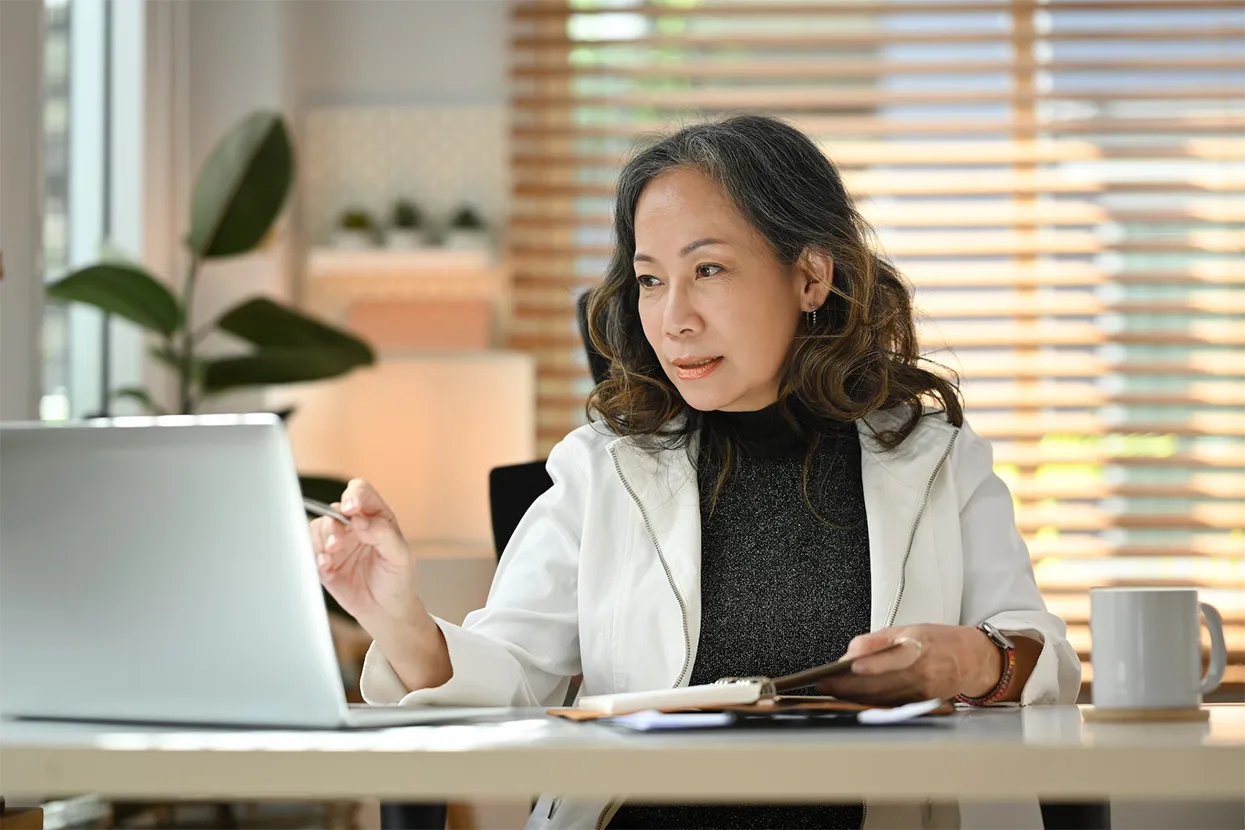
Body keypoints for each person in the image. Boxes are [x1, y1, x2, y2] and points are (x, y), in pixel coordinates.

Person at [310, 114, 1081, 830]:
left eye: (707, 269)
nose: (673, 318)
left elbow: (1040, 654)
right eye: (649, 279)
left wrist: (972, 660)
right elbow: (510, 683)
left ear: (810, 277)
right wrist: (398, 619)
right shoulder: (601, 467)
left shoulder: (935, 457)